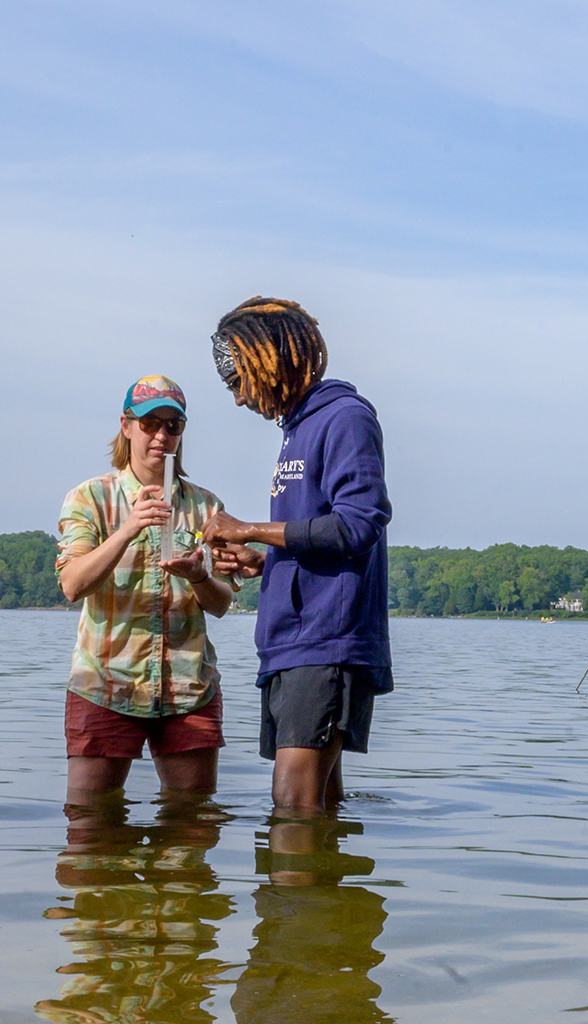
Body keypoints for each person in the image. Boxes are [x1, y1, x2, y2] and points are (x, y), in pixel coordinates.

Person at [202, 297, 392, 817]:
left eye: (238, 380)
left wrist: (250, 528)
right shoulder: (297, 431)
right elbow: (319, 538)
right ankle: (330, 896)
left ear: (270, 360)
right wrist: (265, 562)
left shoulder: (345, 418)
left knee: (292, 807)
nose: (239, 399)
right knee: (316, 806)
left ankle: (296, 898)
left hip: (327, 641)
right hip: (293, 642)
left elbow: (360, 522)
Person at [56, 376, 235, 805]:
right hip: (105, 685)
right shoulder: (89, 498)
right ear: (127, 425)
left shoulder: (206, 507)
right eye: (150, 423)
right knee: (88, 828)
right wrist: (128, 531)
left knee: (189, 829)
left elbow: (223, 603)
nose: (161, 436)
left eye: (173, 426)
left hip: (188, 690)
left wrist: (198, 577)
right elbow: (72, 585)